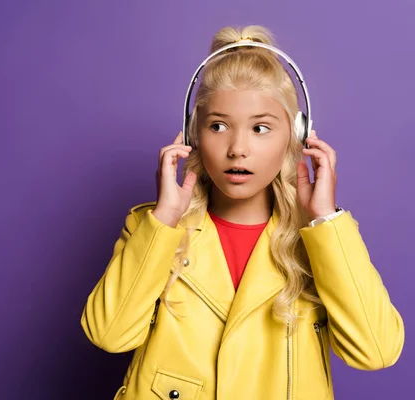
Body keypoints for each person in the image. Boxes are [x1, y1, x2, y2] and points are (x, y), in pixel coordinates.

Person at [80, 25, 404, 399]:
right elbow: (108, 334)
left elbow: (377, 352)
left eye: (260, 128)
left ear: (296, 138)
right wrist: (165, 219)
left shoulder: (320, 240)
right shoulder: (151, 227)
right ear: (192, 134)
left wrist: (325, 219)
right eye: (218, 126)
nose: (237, 149)